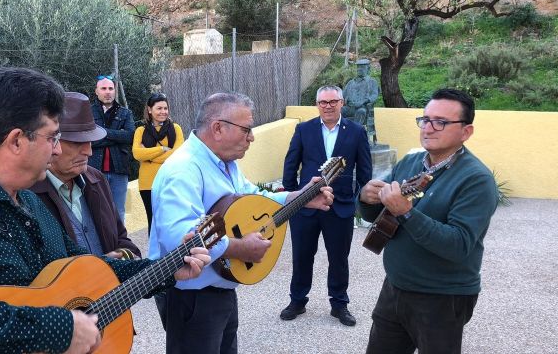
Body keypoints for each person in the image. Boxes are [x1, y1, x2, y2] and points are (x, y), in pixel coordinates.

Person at [0, 67, 210, 354]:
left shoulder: (29, 203)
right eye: (52, 138)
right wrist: (58, 328)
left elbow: (86, 267)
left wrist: (164, 269)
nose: (57, 150)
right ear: (17, 140)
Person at [148, 92, 335, 354]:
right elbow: (181, 238)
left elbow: (254, 199)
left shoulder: (225, 163)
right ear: (218, 128)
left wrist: (298, 198)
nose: (252, 137)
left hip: (220, 287)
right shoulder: (183, 169)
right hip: (192, 297)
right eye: (246, 129)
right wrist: (239, 248)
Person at [358, 88, 498, 354]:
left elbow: (458, 245)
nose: (429, 128)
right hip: (395, 287)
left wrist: (407, 212)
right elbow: (378, 217)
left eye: (441, 122)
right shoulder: (411, 163)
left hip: (443, 298)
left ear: (466, 132)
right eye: (425, 119)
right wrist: (366, 199)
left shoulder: (476, 180)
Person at [279, 85, 372, 327]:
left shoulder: (356, 131)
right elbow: (290, 166)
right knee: (301, 256)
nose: (328, 106)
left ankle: (339, 304)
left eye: (333, 102)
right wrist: (292, 197)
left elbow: (365, 172)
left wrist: (361, 201)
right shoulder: (303, 129)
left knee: (339, 258)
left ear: (342, 103)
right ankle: (297, 300)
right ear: (317, 105)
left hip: (339, 206)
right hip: (305, 206)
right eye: (323, 102)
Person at [31, 91, 142, 259]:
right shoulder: (27, 193)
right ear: (51, 140)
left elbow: (122, 239)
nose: (89, 151)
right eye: (77, 143)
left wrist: (122, 257)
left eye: (90, 141)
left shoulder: (96, 179)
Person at [132, 93, 184, 233]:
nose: (163, 112)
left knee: (173, 219)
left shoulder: (176, 129)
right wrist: (162, 149)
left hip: (171, 180)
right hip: (148, 184)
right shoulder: (140, 131)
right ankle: (154, 255)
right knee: (153, 221)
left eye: (165, 108)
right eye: (159, 108)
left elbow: (178, 154)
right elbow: (137, 153)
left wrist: (149, 156)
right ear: (149, 110)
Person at [88, 75, 134, 222]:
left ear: (114, 91)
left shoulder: (125, 113)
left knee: (118, 212)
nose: (107, 92)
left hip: (119, 170)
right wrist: (117, 135)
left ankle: (119, 244)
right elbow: (89, 140)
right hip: (94, 170)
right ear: (97, 91)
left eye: (110, 88)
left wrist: (103, 133)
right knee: (95, 210)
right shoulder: (88, 112)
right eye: (104, 88)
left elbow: (129, 137)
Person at [342, 59, 380, 146]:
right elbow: (342, 95)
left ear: (368, 69)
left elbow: (374, 95)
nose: (359, 69)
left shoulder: (372, 82)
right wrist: (347, 100)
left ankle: (354, 137)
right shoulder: (351, 83)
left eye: (362, 67)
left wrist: (364, 101)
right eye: (358, 67)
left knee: (361, 112)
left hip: (363, 108)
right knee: (339, 111)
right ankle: (340, 135)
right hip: (350, 107)